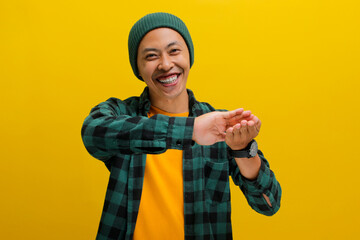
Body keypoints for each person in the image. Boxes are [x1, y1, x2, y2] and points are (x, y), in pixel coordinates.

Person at [81, 12, 281, 240]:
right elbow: (92, 131)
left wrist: (242, 149)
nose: (166, 64)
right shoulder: (122, 114)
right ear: (137, 68)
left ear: (189, 57)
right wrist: (192, 130)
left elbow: (269, 203)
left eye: (174, 51)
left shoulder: (218, 125)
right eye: (151, 56)